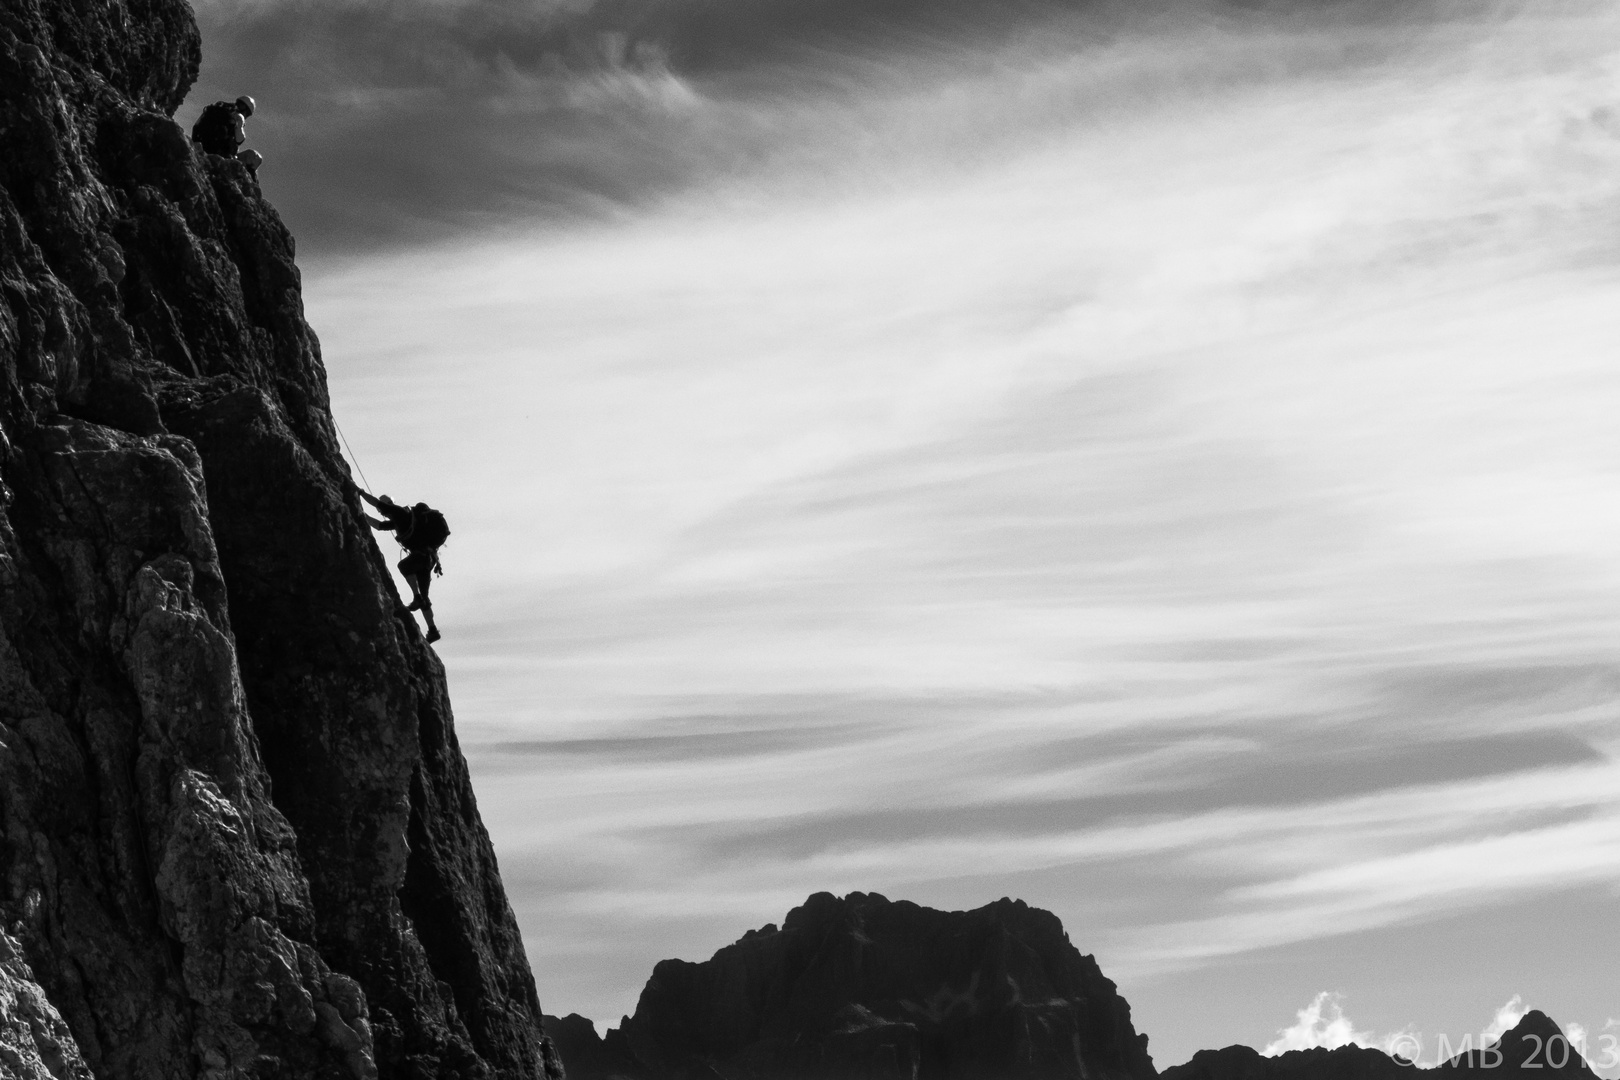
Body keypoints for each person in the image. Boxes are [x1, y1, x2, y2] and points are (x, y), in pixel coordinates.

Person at [359, 490, 449, 644]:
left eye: (382, 510)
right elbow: (380, 525)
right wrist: (364, 517)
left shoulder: (398, 512)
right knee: (425, 596)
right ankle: (433, 630)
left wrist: (359, 492)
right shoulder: (400, 519)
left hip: (421, 557)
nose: (382, 512)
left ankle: (416, 597)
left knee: (404, 566)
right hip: (428, 559)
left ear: (387, 506)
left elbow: (376, 503)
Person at [191, 95, 262, 172]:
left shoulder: (216, 109)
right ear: (245, 110)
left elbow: (196, 126)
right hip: (219, 152)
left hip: (199, 142)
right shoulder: (238, 116)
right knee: (254, 157)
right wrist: (240, 123)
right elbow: (239, 140)